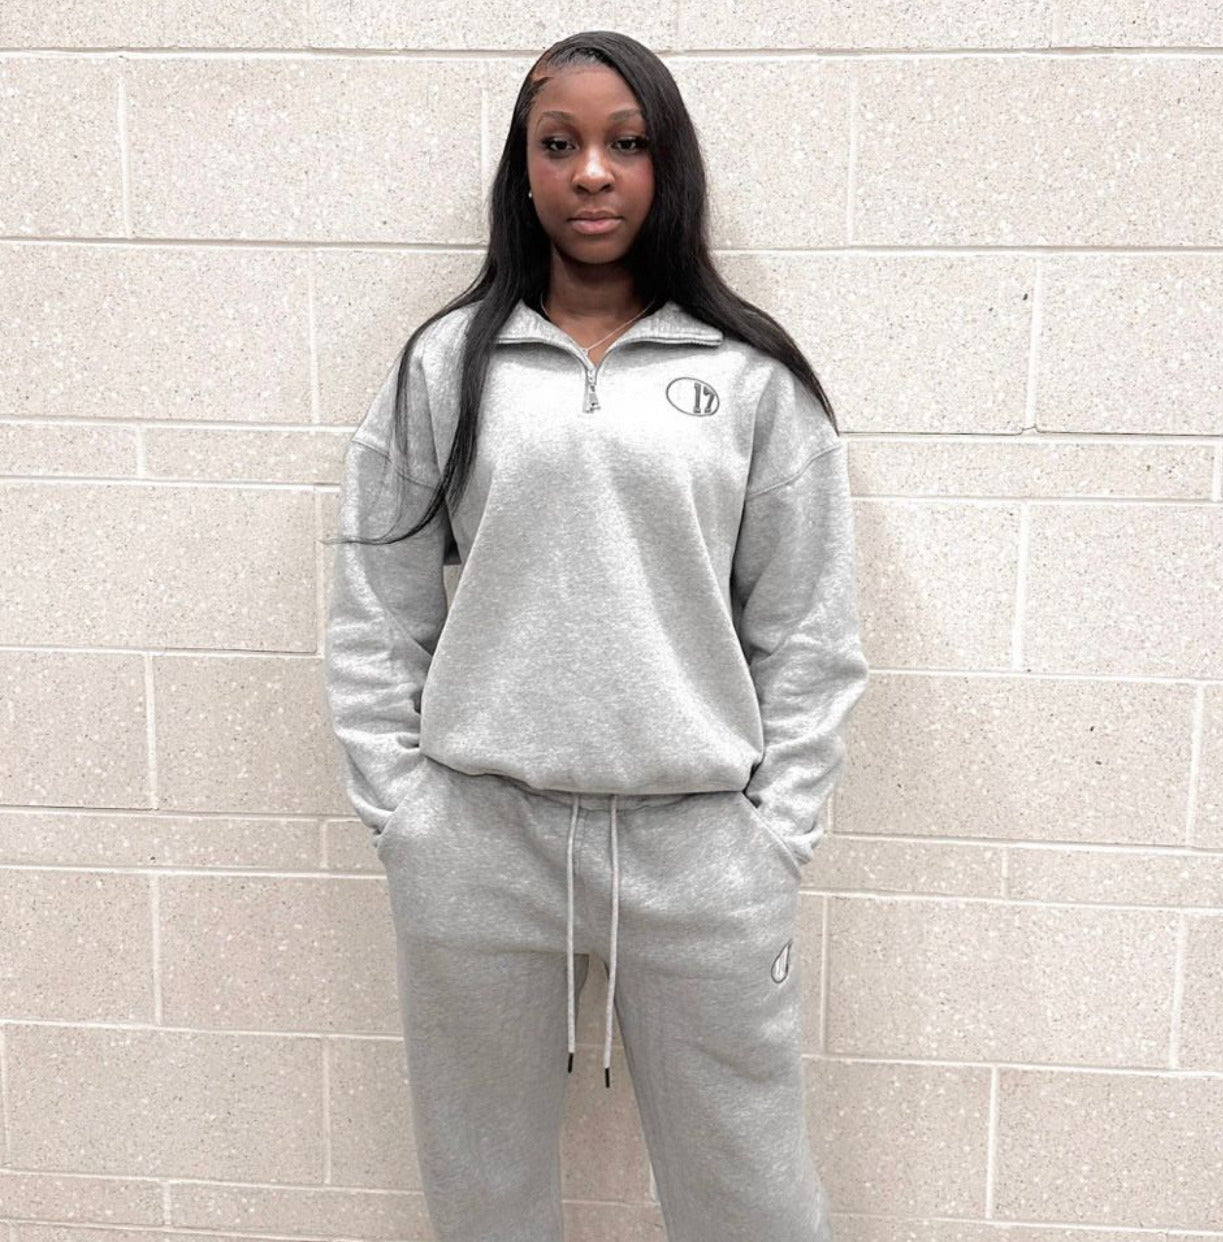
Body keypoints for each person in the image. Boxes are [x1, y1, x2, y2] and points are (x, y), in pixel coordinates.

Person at [322, 29, 869, 1242]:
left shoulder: (750, 380)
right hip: (479, 846)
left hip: (701, 854)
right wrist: (405, 812)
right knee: (484, 1198)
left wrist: (774, 835)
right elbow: (376, 602)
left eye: (625, 144)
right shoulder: (448, 367)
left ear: (667, 164)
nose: (591, 173)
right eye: (558, 143)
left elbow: (810, 633)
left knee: (753, 1202)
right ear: (522, 169)